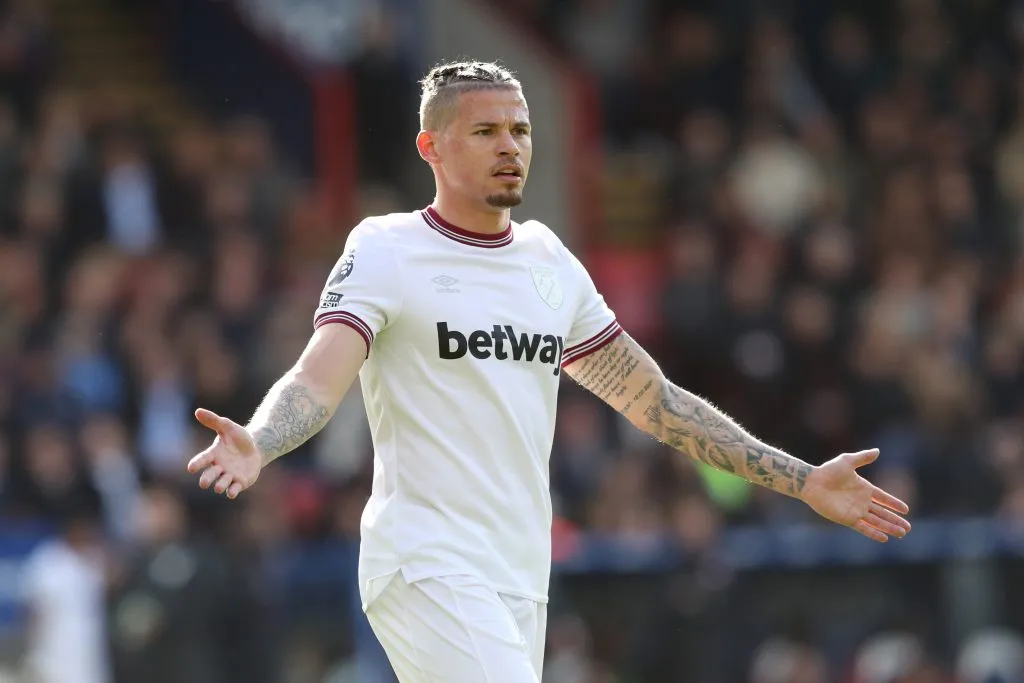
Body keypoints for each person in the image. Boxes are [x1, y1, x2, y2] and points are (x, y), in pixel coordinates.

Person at [186, 60, 912, 683]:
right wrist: (260, 438)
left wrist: (802, 478)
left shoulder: (548, 262)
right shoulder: (386, 247)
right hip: (424, 560)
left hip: (521, 572)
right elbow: (318, 377)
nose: (511, 147)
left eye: (521, 130)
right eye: (486, 131)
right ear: (431, 147)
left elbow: (654, 401)